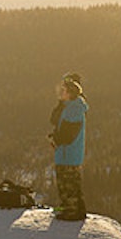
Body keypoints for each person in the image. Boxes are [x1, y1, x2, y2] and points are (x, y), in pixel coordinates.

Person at [48, 72, 89, 221]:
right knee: (73, 184)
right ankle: (76, 210)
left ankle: (71, 212)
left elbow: (68, 135)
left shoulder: (74, 110)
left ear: (70, 93)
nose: (61, 92)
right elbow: (54, 120)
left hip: (68, 154)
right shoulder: (70, 107)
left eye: (64, 90)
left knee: (67, 184)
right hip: (69, 154)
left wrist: (55, 139)